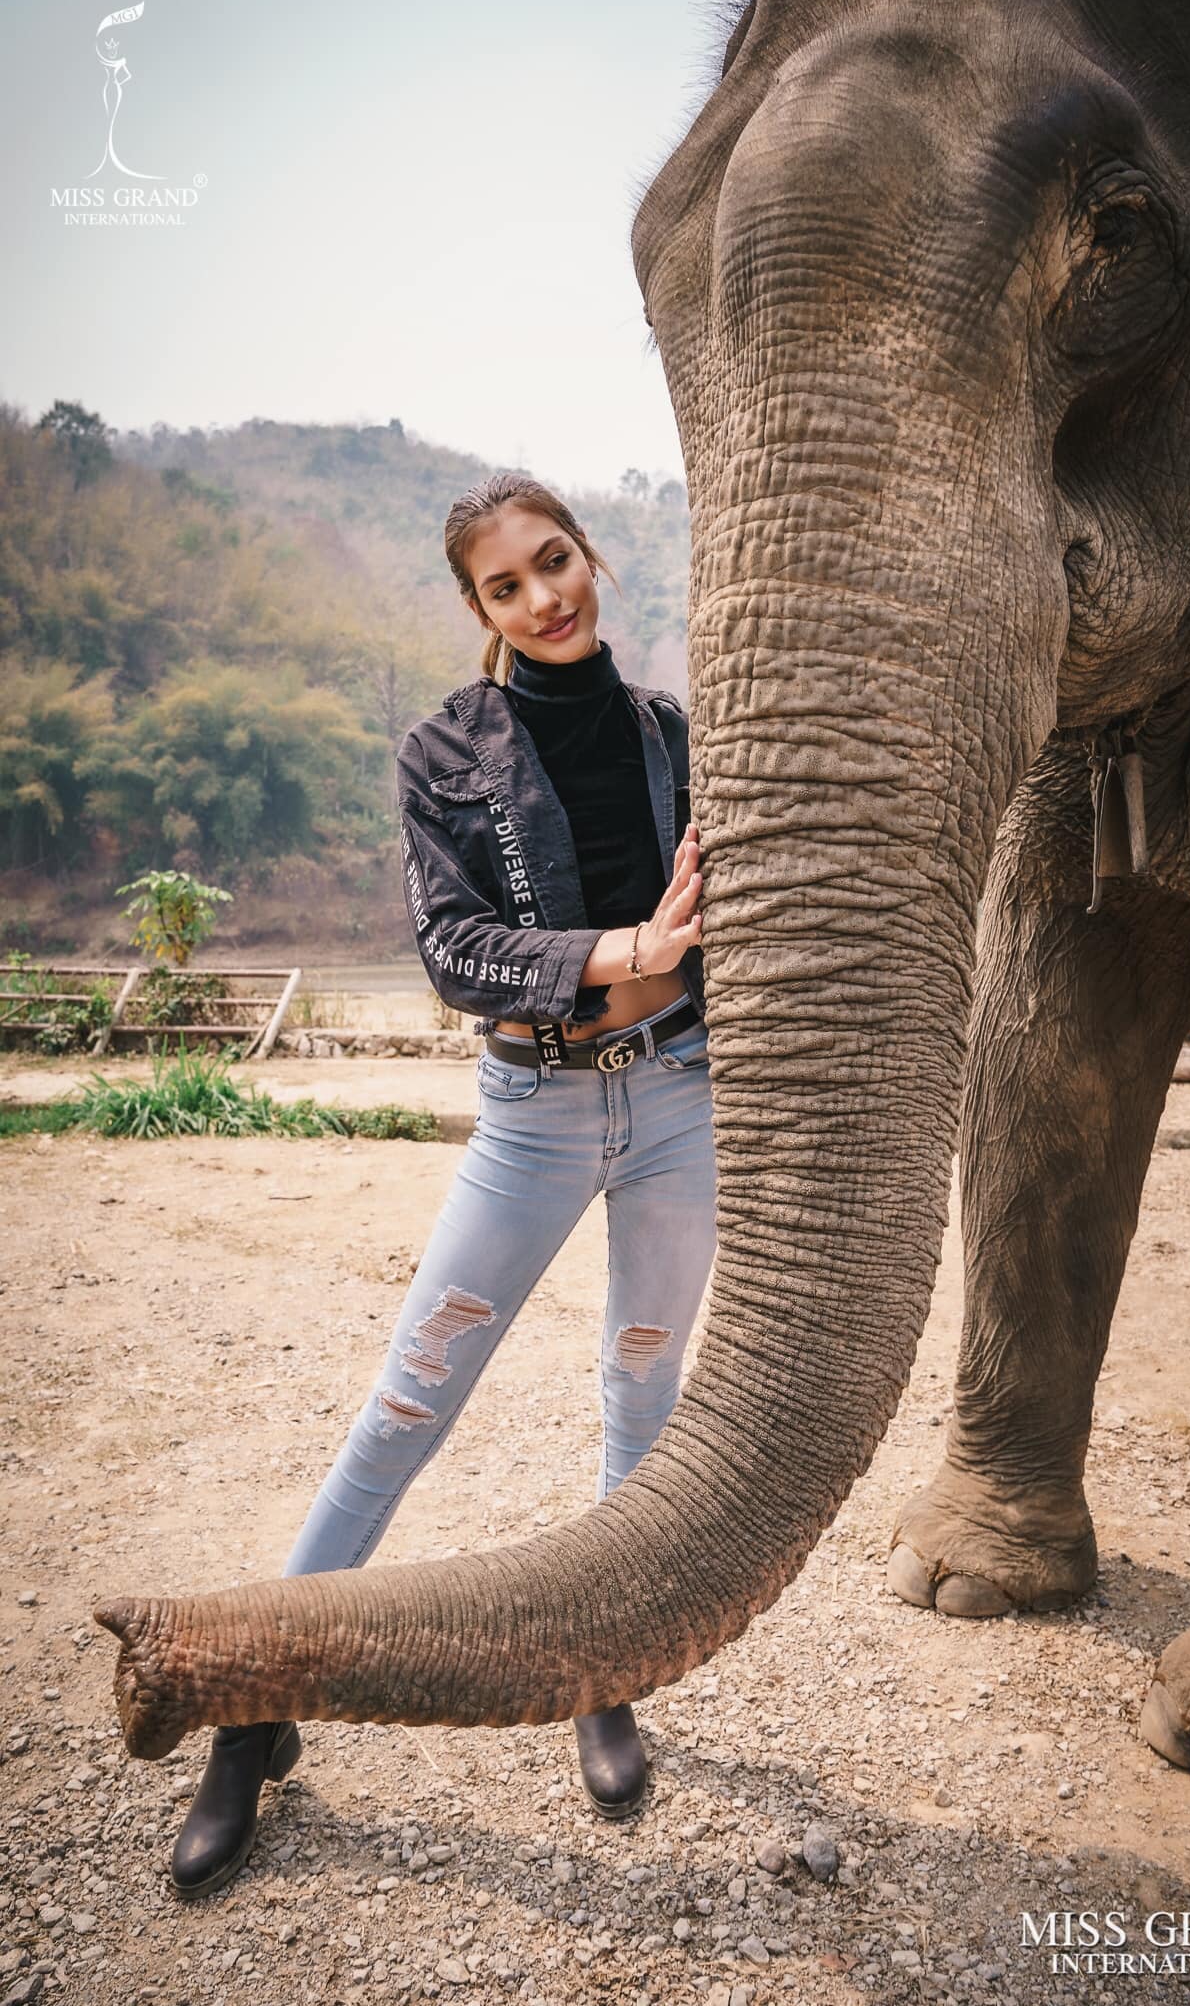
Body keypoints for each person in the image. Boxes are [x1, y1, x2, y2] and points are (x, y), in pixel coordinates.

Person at [168, 472, 716, 1899]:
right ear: (476, 610)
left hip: (676, 1104)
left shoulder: (674, 735)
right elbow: (453, 952)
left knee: (640, 1395)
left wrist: (686, 959)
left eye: (556, 562)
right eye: (508, 585)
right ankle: (252, 1710)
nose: (547, 598)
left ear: (589, 556)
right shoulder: (440, 752)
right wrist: (626, 950)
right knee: (409, 1401)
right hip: (531, 1115)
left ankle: (604, 1668)